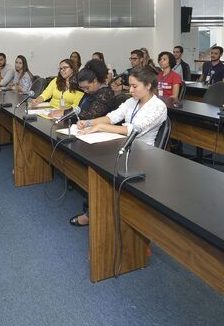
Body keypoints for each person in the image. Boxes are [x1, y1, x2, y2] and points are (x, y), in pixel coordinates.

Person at [71, 67, 168, 227]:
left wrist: (100, 127)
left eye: (135, 86)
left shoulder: (158, 106)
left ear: (148, 85)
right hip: (124, 147)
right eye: (130, 86)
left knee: (103, 169)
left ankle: (95, 212)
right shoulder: (132, 101)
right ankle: (97, 208)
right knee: (96, 163)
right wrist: (88, 123)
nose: (130, 90)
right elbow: (112, 117)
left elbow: (133, 130)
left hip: (143, 155)